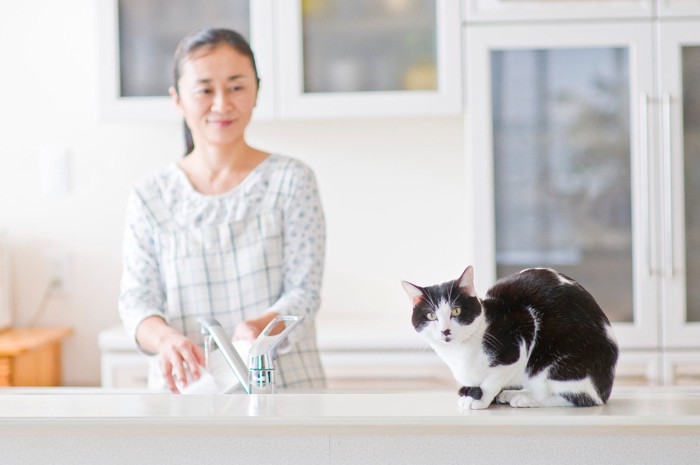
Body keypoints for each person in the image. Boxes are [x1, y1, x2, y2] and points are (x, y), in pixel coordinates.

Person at [118, 27, 326, 393]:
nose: (221, 104)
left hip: (284, 389)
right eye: (204, 90)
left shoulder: (292, 180)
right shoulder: (150, 195)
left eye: (236, 86)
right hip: (187, 392)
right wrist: (166, 340)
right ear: (178, 99)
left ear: (256, 92)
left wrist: (261, 325)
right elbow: (136, 301)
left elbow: (304, 292)